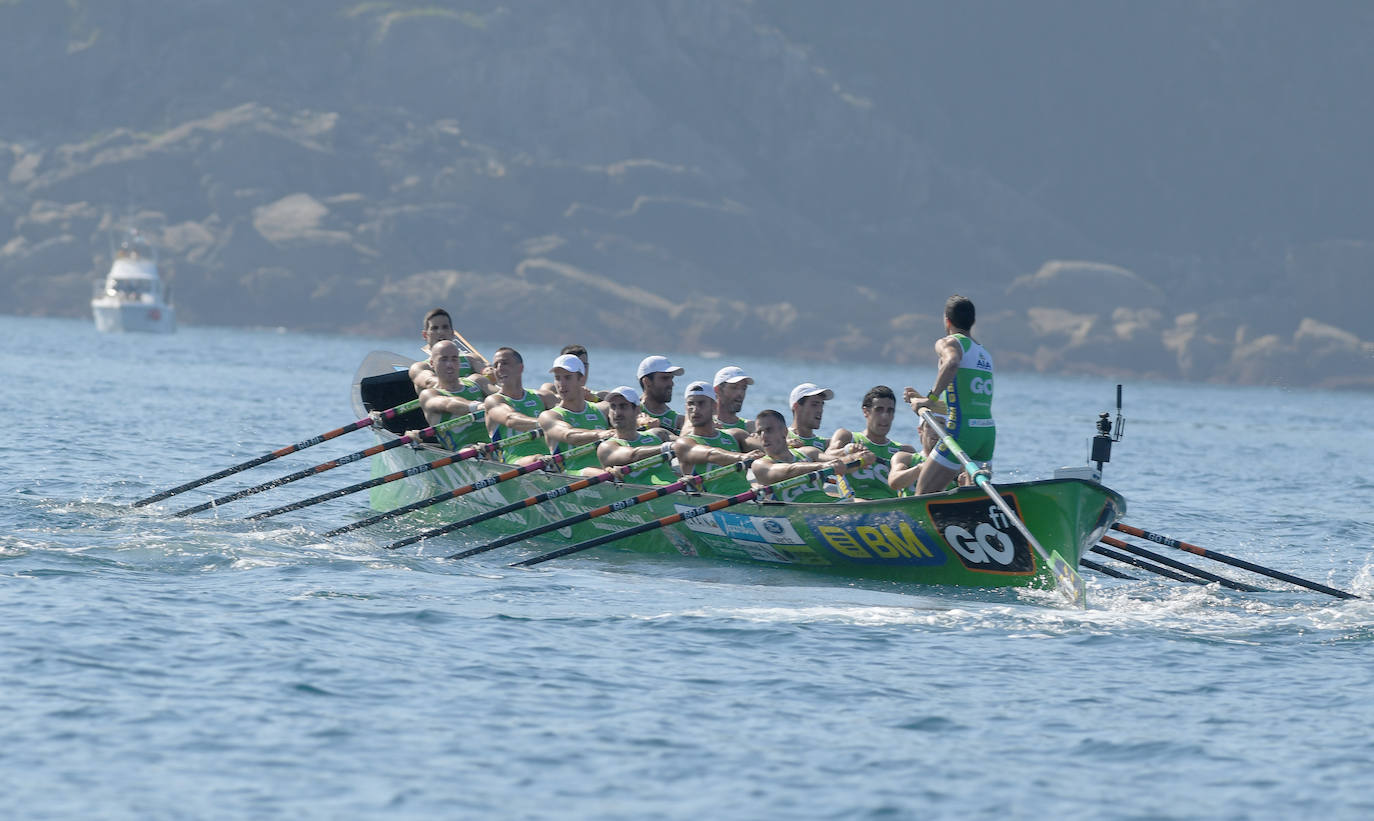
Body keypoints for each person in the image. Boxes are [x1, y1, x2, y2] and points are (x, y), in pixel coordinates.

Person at [905, 294, 995, 496]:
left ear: (947, 320)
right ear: (972, 322)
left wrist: (930, 399)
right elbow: (964, 399)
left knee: (923, 494)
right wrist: (925, 402)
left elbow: (951, 362)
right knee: (976, 497)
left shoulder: (949, 342)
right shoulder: (984, 354)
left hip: (963, 431)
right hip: (987, 433)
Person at [750, 410, 873, 503]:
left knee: (863, 502)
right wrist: (822, 466)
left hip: (827, 506)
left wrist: (858, 458)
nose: (764, 436)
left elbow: (839, 462)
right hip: (798, 514)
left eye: (769, 430)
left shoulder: (808, 452)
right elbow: (789, 470)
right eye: (760, 432)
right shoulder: (760, 465)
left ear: (784, 432)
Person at [674, 380, 760, 495]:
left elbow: (766, 449)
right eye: (691, 404)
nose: (695, 409)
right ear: (686, 408)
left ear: (714, 407)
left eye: (701, 403)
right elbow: (711, 454)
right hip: (712, 506)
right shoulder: (684, 444)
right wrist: (742, 457)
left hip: (746, 500)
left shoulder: (735, 435)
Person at [830, 386, 915, 500]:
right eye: (879, 410)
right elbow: (826, 459)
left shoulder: (904, 451)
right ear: (866, 411)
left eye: (890, 411)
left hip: (892, 507)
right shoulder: (847, 437)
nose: (885, 416)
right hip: (855, 504)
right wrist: (848, 452)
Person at [538, 354, 615, 472]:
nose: (561, 384)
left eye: (567, 377)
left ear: (581, 379)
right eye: (557, 378)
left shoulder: (603, 409)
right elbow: (568, 435)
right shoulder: (549, 416)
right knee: (589, 471)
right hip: (572, 475)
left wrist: (643, 421)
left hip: (606, 473)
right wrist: (600, 434)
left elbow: (630, 420)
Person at [416, 340, 495, 451]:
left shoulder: (476, 381)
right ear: (432, 363)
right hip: (465, 452)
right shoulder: (429, 395)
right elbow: (448, 403)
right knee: (471, 450)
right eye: (444, 360)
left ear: (459, 362)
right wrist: (476, 406)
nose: (450, 365)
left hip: (497, 446)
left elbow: (503, 396)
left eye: (454, 359)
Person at [483, 347, 556, 463]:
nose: (499, 368)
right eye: (496, 365)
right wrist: (547, 424)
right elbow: (510, 419)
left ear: (520, 368)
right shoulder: (494, 400)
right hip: (513, 462)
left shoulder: (543, 397)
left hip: (549, 460)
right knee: (538, 459)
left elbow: (567, 412)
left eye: (505, 363)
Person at [595, 386, 679, 485]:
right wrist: (668, 447)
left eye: (623, 406)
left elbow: (686, 445)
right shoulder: (606, 447)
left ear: (637, 411)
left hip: (677, 492)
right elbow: (633, 455)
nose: (617, 413)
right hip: (646, 495)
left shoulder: (657, 434)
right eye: (613, 407)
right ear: (608, 413)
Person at [408, 308, 488, 394]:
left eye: (445, 327)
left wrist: (489, 371)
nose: (440, 332)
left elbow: (489, 376)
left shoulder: (472, 359)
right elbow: (429, 381)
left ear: (452, 333)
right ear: (425, 335)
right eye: (434, 328)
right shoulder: (420, 367)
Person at [538, 344, 605, 403]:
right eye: (574, 367)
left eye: (583, 365)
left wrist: (594, 399)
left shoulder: (599, 395)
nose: (581, 371)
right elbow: (544, 397)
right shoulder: (550, 389)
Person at [637, 355, 685, 434]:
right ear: (647, 381)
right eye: (665, 378)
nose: (671, 384)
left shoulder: (679, 421)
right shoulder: (629, 410)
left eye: (671, 378)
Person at [787, 383, 837, 452]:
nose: (820, 410)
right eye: (814, 405)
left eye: (822, 405)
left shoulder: (827, 445)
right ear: (797, 407)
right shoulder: (779, 439)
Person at [712, 366, 755, 433]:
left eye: (744, 388)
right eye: (734, 388)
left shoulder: (751, 427)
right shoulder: (702, 423)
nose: (740, 393)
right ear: (718, 390)